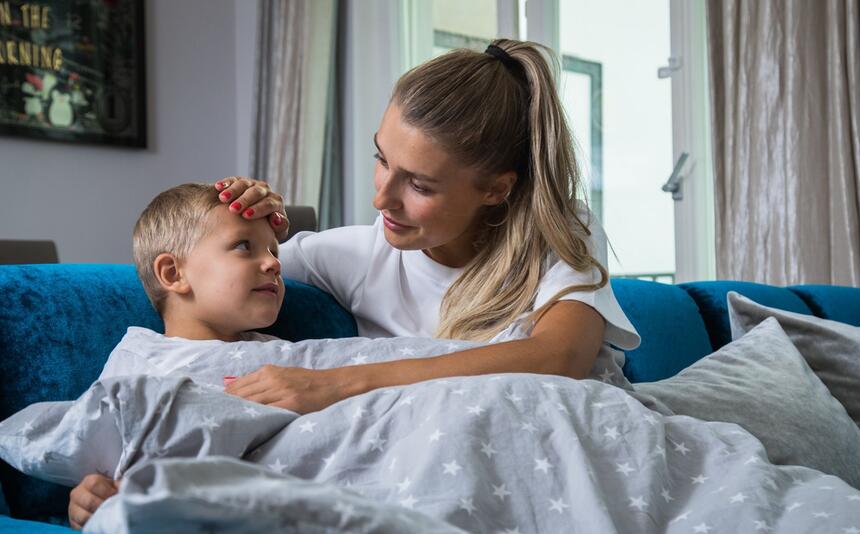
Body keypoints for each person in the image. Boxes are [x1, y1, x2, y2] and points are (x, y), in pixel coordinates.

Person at [215, 38, 640, 414]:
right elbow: (203, 272)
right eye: (381, 159)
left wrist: (340, 382)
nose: (381, 199)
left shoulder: (561, 230)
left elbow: (560, 356)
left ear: (495, 188)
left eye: (419, 184)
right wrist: (239, 222)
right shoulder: (355, 257)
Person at [69, 182, 285, 529]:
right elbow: (101, 464)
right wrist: (88, 497)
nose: (273, 263)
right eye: (245, 246)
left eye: (275, 252)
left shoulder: (283, 354)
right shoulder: (140, 360)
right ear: (173, 273)